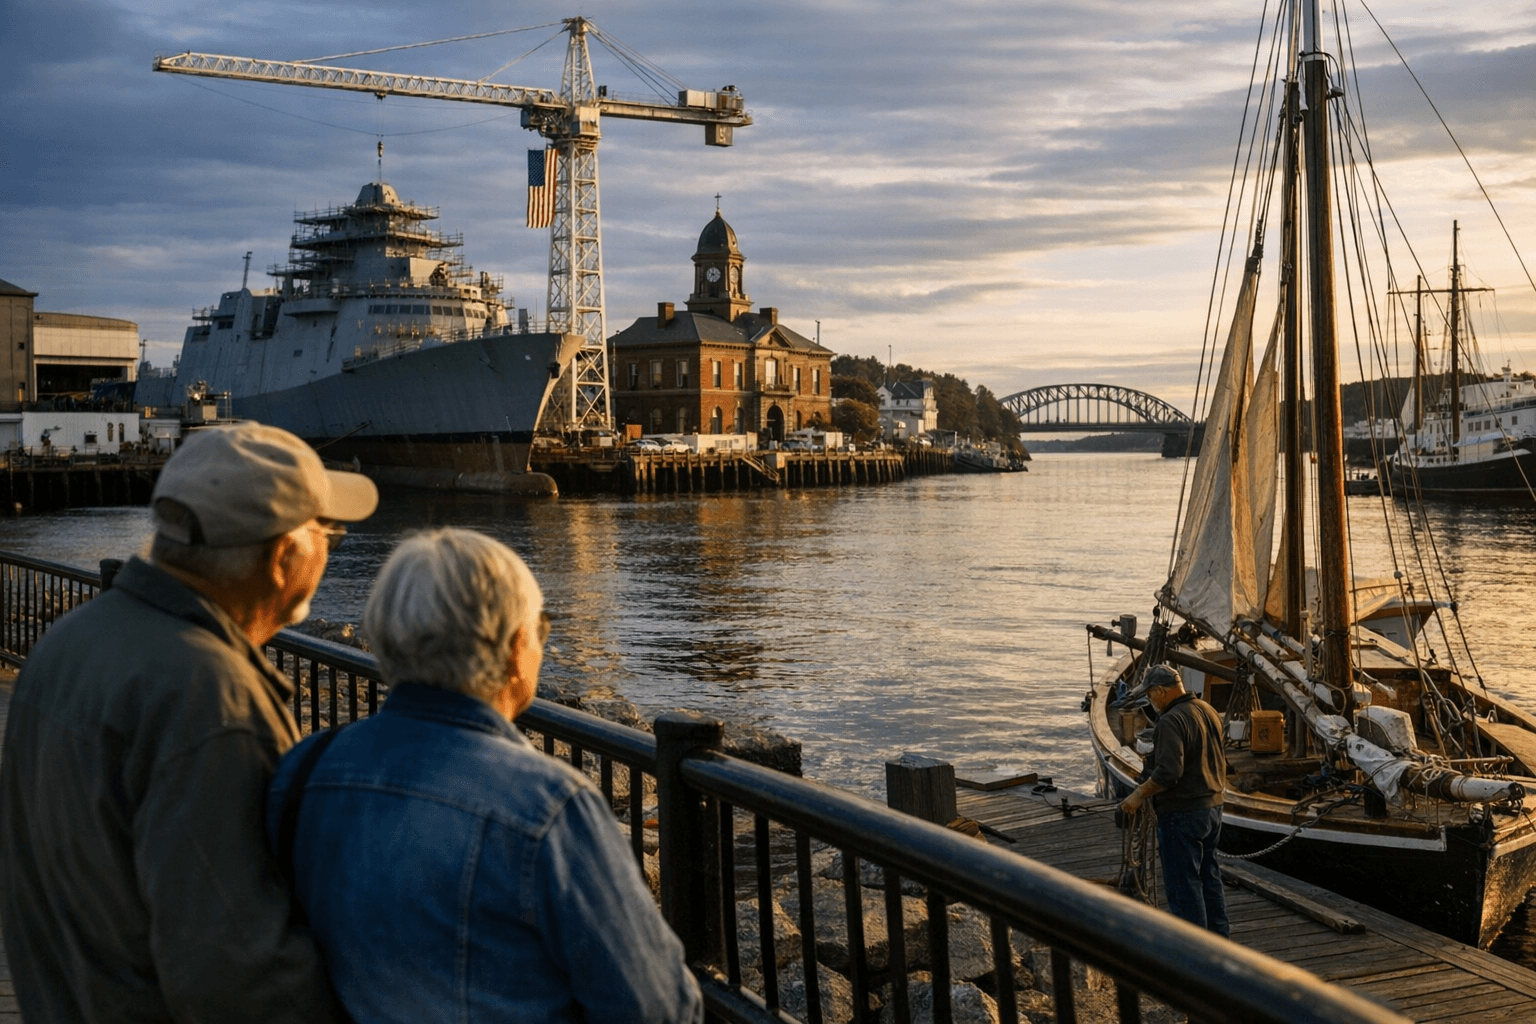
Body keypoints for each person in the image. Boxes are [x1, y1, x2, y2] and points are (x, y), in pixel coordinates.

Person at [0, 422, 377, 1023]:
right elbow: (239, 976)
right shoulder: (211, 699)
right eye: (328, 531)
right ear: (284, 557)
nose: (332, 547)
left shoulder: (69, 642)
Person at [267, 528, 702, 1024]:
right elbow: (657, 1009)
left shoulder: (302, 772)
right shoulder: (551, 808)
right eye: (541, 628)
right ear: (518, 648)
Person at [1117, 663, 1231, 937]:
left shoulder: (1170, 720)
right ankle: (1220, 941)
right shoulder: (1208, 710)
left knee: (1183, 884)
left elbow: (1169, 773)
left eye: (1151, 695)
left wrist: (1138, 795)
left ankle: (1193, 951)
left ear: (1160, 692)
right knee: (1209, 876)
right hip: (1213, 808)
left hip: (1183, 813)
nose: (1150, 701)